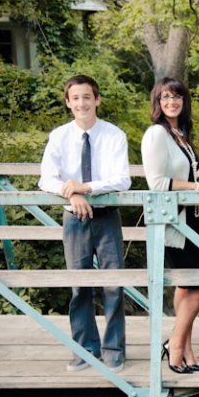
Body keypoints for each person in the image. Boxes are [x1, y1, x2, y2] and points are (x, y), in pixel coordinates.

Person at [39, 75, 131, 373]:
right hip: (74, 218)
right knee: (80, 286)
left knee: (113, 285)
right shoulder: (59, 136)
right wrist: (72, 192)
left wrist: (86, 188)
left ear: (97, 99)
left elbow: (122, 179)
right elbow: (46, 179)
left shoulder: (114, 135)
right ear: (68, 103)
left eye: (87, 97)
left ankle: (113, 349)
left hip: (106, 217)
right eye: (76, 98)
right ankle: (85, 349)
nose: (82, 103)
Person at [141, 77, 199, 374]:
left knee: (186, 285)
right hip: (176, 222)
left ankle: (187, 352)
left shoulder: (179, 133)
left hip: (195, 220)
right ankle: (175, 345)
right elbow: (157, 183)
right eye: (166, 97)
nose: (172, 102)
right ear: (157, 102)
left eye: (177, 97)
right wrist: (195, 188)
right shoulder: (157, 133)